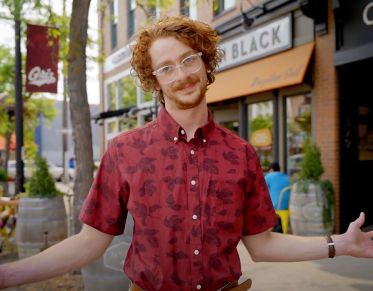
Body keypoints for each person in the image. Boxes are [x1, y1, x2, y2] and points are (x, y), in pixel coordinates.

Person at [0, 16, 372, 291]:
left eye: (188, 59)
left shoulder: (241, 154)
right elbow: (88, 242)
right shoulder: (124, 151)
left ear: (206, 62)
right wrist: (8, 275)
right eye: (165, 67)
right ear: (154, 80)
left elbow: (262, 244)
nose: (181, 74)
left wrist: (340, 244)